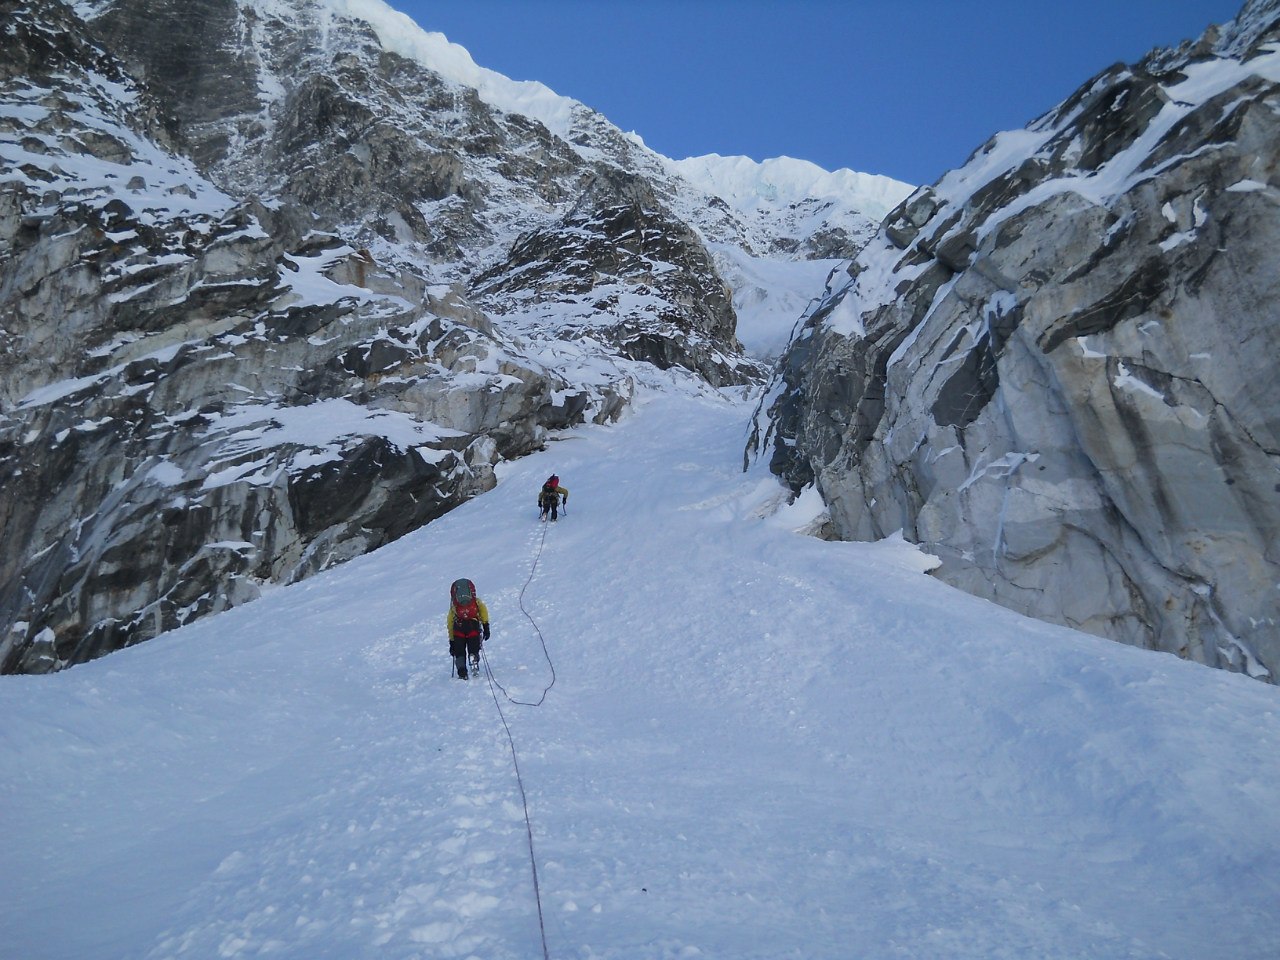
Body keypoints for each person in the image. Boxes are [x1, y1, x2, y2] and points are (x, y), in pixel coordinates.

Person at [447, 578, 490, 679]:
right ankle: (473, 658)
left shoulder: (454, 605)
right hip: (473, 626)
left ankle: (462, 671)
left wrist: (452, 640)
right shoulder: (476, 601)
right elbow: (483, 611)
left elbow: (450, 622)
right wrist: (486, 626)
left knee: (459, 651)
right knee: (474, 647)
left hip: (458, 628)